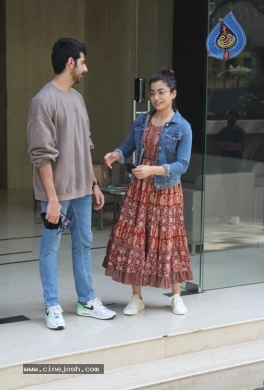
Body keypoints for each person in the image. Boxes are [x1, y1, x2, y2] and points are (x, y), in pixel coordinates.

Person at [27, 38, 116, 330]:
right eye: (83, 62)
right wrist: (52, 199)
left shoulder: (77, 99)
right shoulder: (43, 101)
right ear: (70, 63)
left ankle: (86, 301)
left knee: (84, 243)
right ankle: (52, 305)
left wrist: (94, 183)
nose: (85, 68)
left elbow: (84, 145)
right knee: (50, 247)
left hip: (82, 190)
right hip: (57, 193)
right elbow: (41, 156)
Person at [103, 68, 193, 316]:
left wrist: (153, 169)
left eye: (162, 92)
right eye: (153, 93)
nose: (156, 98)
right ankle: (136, 297)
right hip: (140, 190)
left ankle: (176, 295)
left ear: (173, 94)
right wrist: (117, 153)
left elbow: (183, 164)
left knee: (170, 242)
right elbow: (128, 145)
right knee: (136, 241)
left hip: (166, 192)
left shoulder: (182, 127)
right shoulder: (142, 120)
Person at [216, 110, 246, 224]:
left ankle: (235, 214)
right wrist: (230, 144)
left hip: (236, 164)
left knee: (234, 189)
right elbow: (218, 145)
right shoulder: (223, 131)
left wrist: (226, 145)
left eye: (232, 117)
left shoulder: (240, 132)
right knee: (226, 189)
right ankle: (229, 213)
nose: (230, 120)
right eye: (228, 117)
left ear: (236, 119)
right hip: (224, 164)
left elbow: (238, 146)